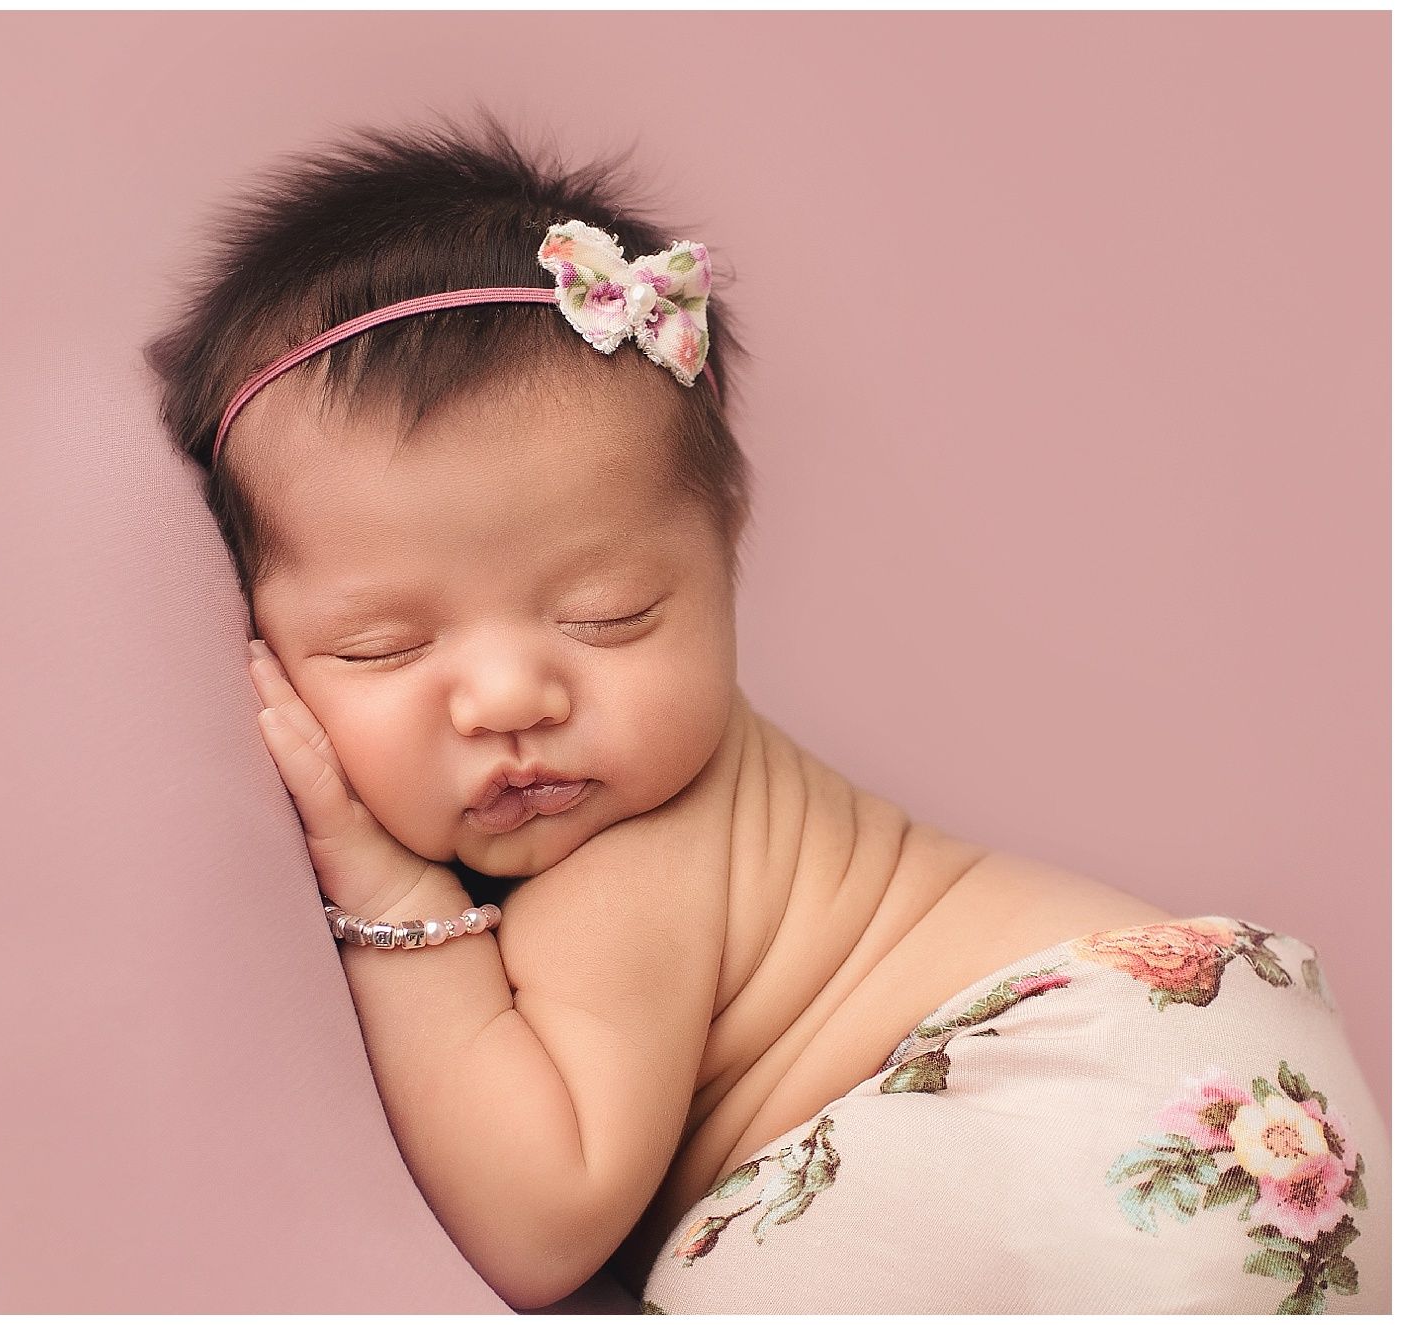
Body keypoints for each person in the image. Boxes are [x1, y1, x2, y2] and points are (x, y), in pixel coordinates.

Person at [141, 109, 1388, 1313]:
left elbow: (537, 1219)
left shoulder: (629, 861)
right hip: (1217, 1077)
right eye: (385, 645)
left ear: (726, 552)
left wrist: (390, 896)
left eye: (610, 614)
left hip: (1083, 1091)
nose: (515, 696)